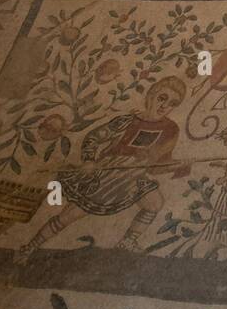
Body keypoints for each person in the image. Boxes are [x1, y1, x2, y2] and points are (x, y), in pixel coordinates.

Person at [17, 77, 188, 256]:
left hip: (135, 177)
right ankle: (30, 247)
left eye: (172, 103)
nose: (164, 106)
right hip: (109, 175)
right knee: (68, 216)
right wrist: (89, 160)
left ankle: (128, 241)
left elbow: (155, 167)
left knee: (154, 203)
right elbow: (94, 137)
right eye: (162, 98)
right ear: (151, 96)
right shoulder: (127, 121)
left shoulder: (171, 129)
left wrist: (175, 166)